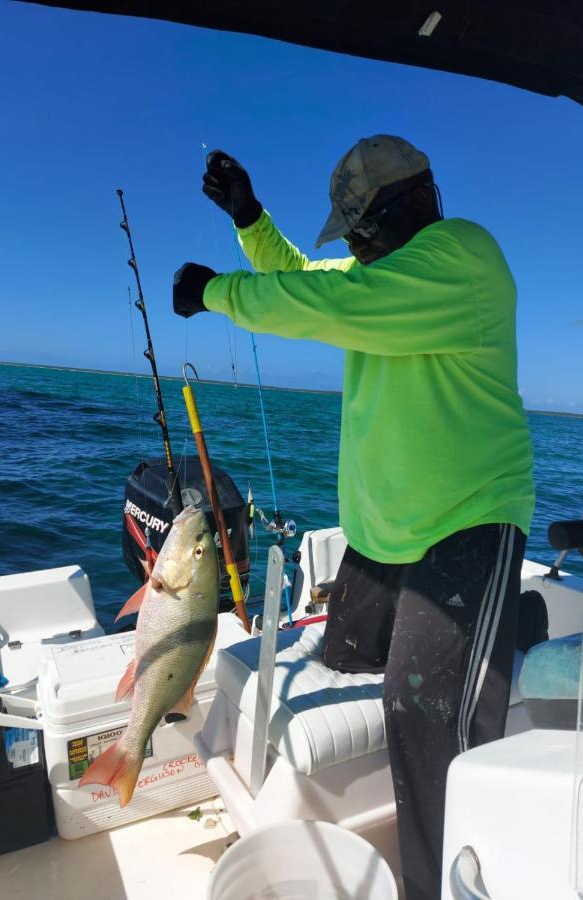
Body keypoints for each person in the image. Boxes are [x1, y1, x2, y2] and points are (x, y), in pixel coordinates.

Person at [173, 135, 535, 900]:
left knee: (422, 714)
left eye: (362, 232)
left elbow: (330, 300)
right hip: (381, 534)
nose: (357, 250)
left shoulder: (462, 257)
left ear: (411, 207)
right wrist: (249, 219)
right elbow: (305, 277)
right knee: (341, 657)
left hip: (466, 524)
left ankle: (436, 887)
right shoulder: (382, 270)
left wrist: (217, 292)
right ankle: (508, 632)